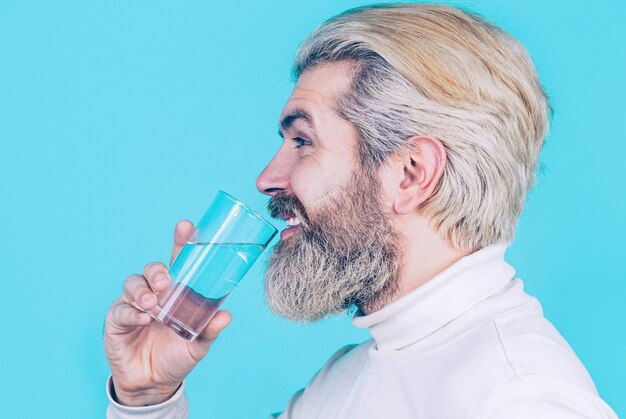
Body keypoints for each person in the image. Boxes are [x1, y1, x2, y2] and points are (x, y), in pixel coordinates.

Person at [104, 4, 618, 418]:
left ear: (411, 173)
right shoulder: (343, 380)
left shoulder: (522, 401)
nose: (267, 179)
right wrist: (147, 399)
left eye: (302, 140)